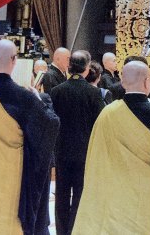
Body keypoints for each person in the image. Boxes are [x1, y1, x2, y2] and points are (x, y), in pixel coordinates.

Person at [72, 61, 150, 235]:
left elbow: (96, 158)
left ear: (123, 82)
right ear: (148, 82)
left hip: (114, 199)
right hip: (148, 198)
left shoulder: (108, 113)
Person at [0, 39, 59, 235]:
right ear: (14, 60)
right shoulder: (24, 97)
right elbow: (50, 125)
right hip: (11, 174)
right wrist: (40, 101)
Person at [51, 51, 105, 235]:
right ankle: (76, 229)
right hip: (84, 152)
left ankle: (61, 231)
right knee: (80, 194)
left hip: (62, 150)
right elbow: (100, 122)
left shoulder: (57, 91)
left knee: (62, 194)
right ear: (87, 68)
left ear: (69, 66)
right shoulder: (94, 92)